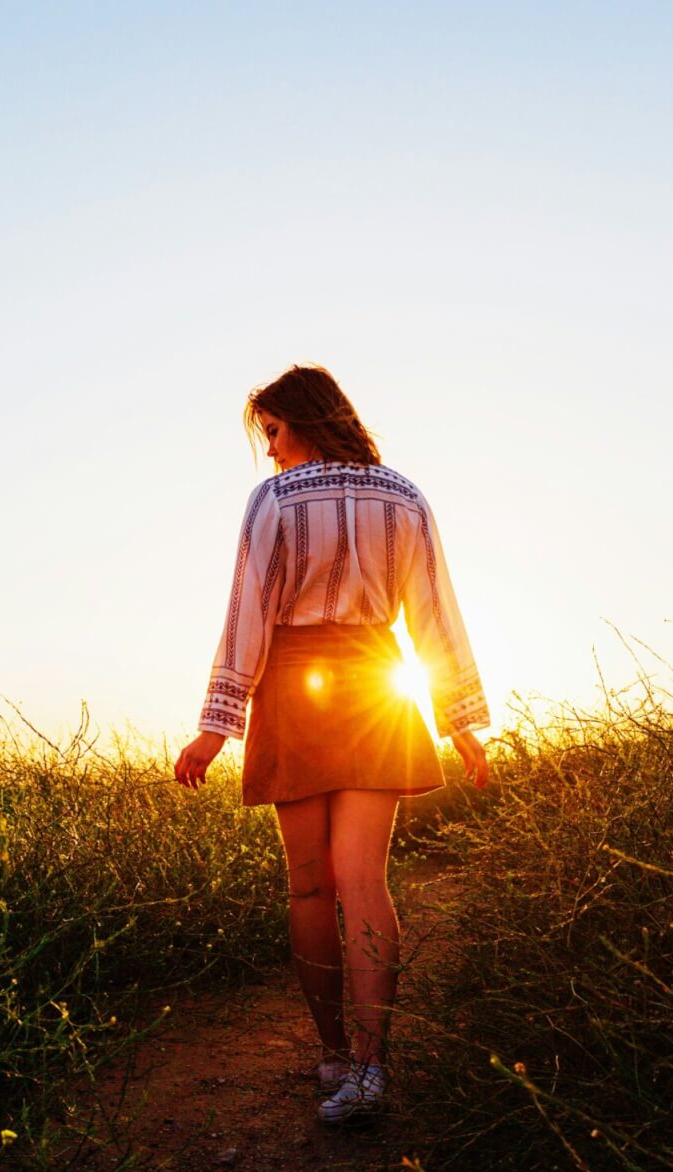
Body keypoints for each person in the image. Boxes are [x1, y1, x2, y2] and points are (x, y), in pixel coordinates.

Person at [173, 364, 491, 1123]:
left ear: (304, 423)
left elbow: (247, 611)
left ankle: (334, 1055)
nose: (272, 452)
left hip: (294, 683)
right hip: (377, 684)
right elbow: (433, 613)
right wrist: (460, 719)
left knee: (311, 885)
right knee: (364, 881)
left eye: (274, 433)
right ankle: (373, 1066)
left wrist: (216, 728)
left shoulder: (274, 500)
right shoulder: (405, 495)